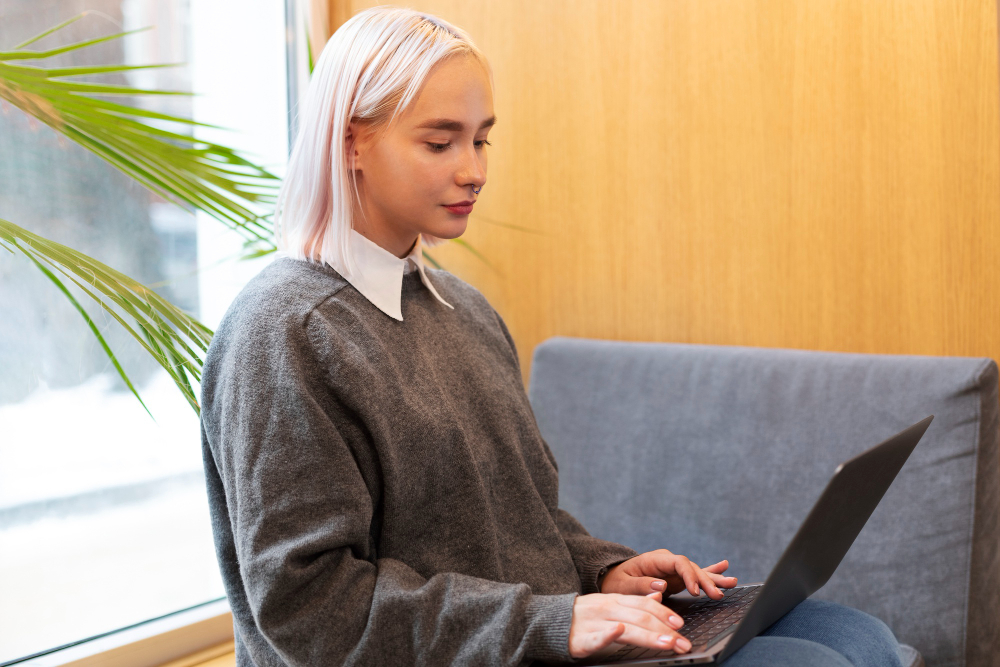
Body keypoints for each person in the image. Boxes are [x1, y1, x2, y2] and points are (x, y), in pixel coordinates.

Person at [199, 6, 905, 666]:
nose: (473, 169)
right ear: (350, 140)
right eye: (440, 141)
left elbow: (515, 520)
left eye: (481, 138)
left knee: (857, 634)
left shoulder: (461, 308)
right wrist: (554, 620)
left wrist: (602, 569)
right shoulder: (286, 332)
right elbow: (310, 607)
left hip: (531, 634)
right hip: (492, 647)